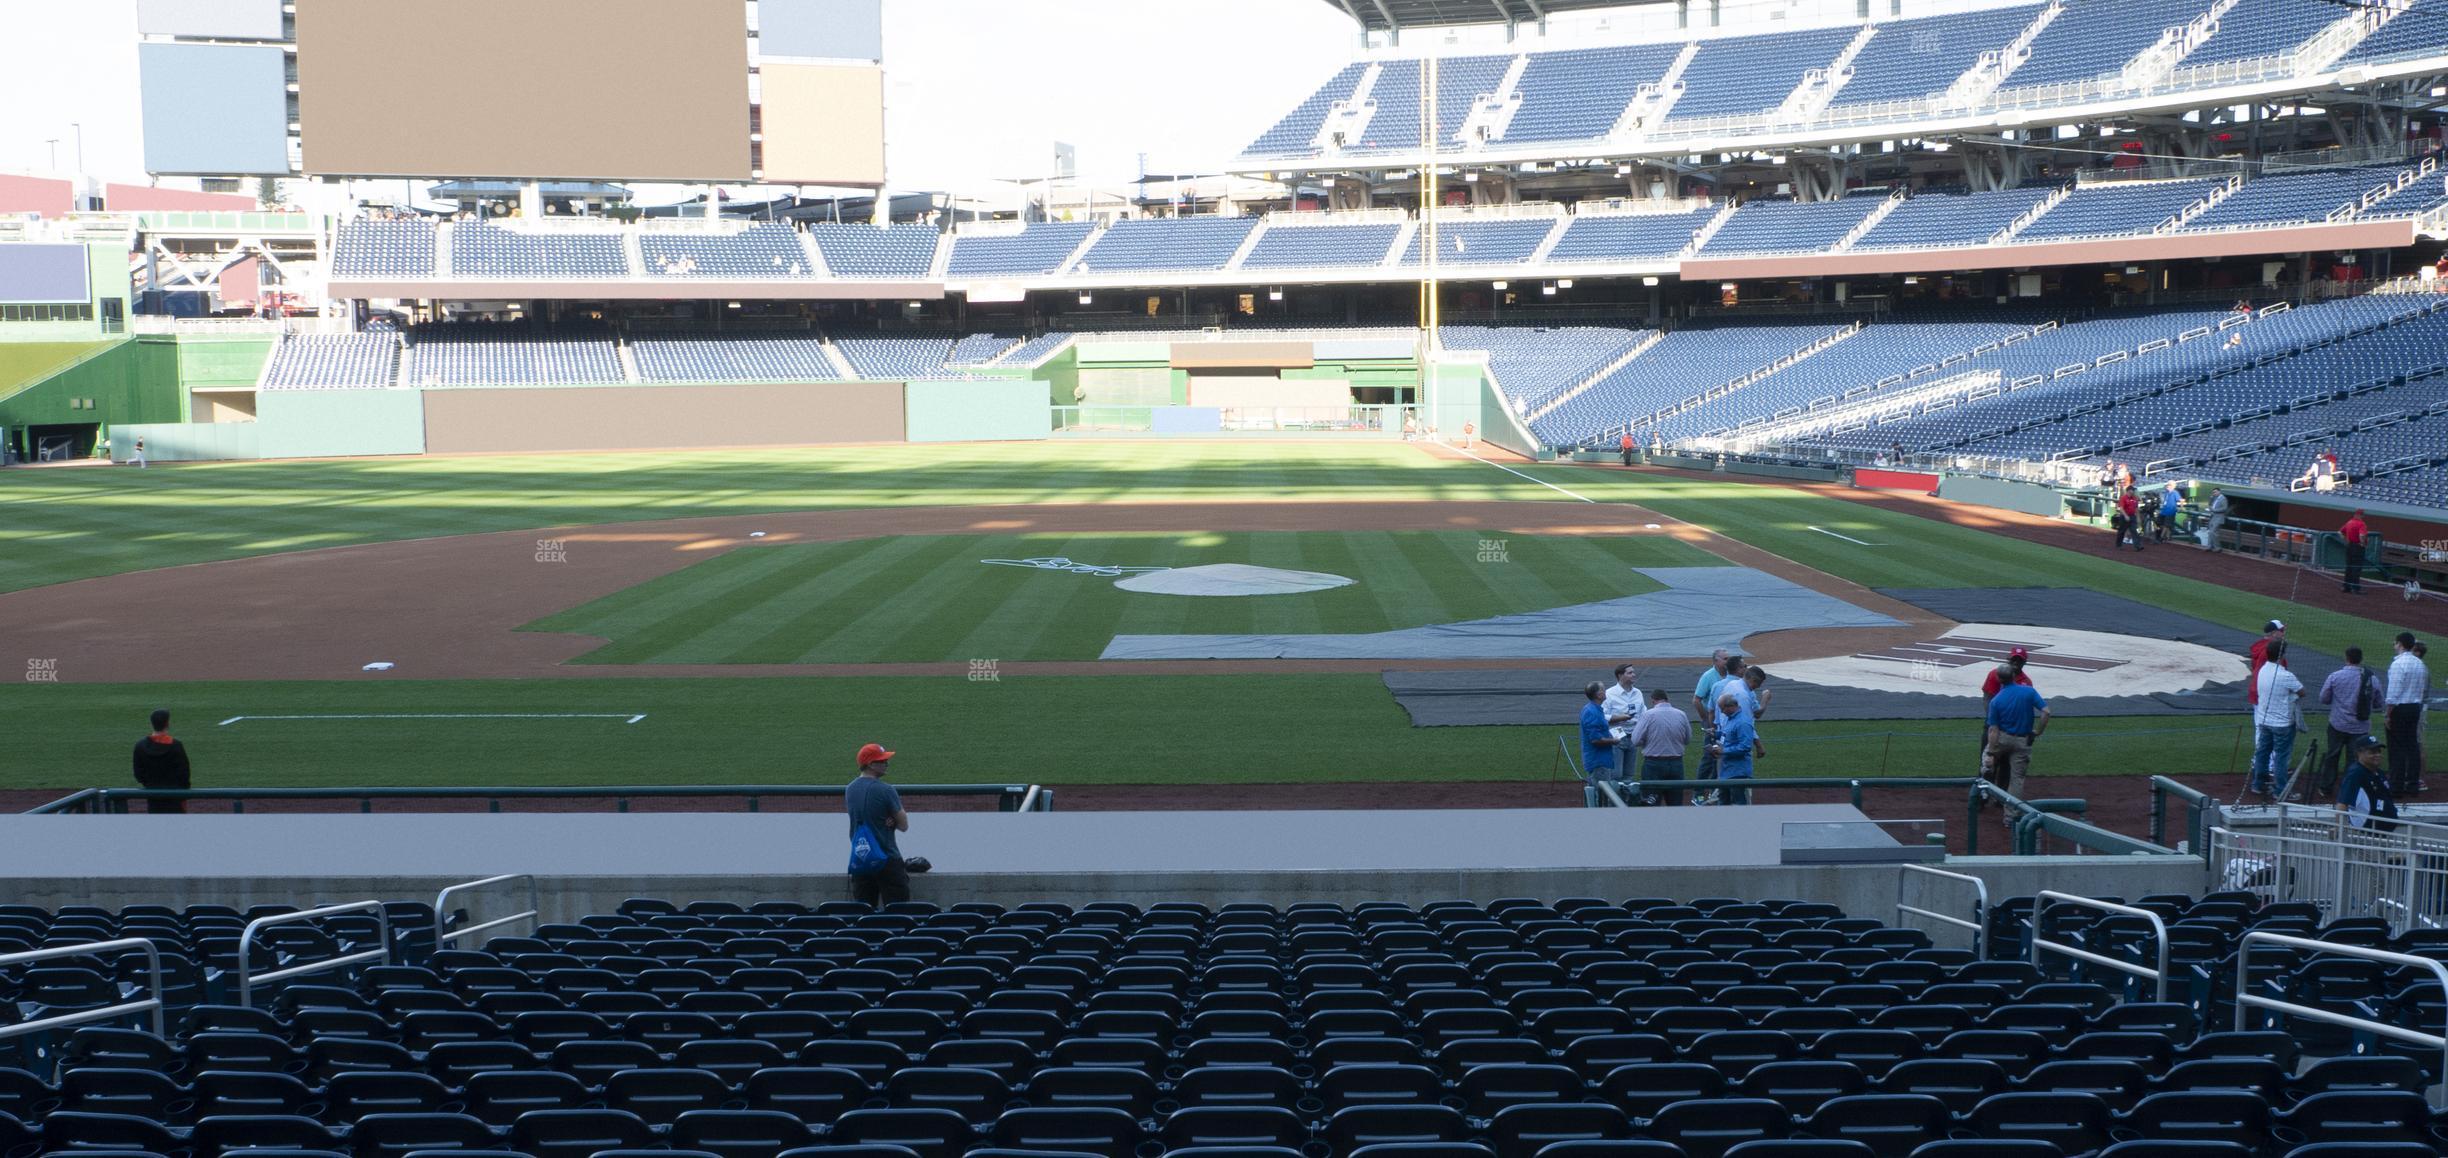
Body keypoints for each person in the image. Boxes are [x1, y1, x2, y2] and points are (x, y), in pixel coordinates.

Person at [845, 743, 911, 906]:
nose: (886, 764)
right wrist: (893, 820)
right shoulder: (886, 790)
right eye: (882, 761)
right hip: (887, 858)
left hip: (861, 859)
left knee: (864, 914)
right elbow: (904, 825)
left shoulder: (850, 789)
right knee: (899, 913)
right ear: (870, 764)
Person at [2317, 646, 2384, 797]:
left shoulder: (2335, 676)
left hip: (2338, 724)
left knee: (2332, 756)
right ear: (2361, 659)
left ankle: (2326, 788)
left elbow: (2323, 699)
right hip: (2360, 728)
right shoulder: (2371, 678)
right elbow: (2379, 703)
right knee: (2355, 760)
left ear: (2346, 658)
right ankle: (2351, 789)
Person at [1982, 668, 2049, 798]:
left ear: (1999, 680)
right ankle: (2010, 816)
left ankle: (1984, 787)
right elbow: (2046, 712)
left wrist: (1991, 752)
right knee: (2017, 780)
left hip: (2003, 738)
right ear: (2013, 676)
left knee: (1986, 763)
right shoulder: (2029, 691)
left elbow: (1993, 730)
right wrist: (2038, 732)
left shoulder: (1996, 700)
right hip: (2023, 741)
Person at [2251, 640, 2305, 799]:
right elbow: (2302, 692)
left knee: (2262, 752)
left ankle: (2258, 785)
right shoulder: (2285, 675)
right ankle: (2280, 791)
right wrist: (2290, 697)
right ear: (2282, 655)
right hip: (2282, 723)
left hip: (2264, 720)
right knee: (2281, 757)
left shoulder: (2262, 670)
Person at [1625, 689, 1690, 806]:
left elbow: (1635, 740)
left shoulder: (1648, 715)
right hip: (1676, 764)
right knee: (1675, 805)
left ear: (1653, 700)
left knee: (1651, 805)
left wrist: (1648, 740)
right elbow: (1687, 739)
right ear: (1667, 699)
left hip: (1653, 766)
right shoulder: (1681, 714)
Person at [2385, 632, 2428, 795]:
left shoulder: (2398, 664)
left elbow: (2393, 694)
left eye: (2395, 643)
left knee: (2396, 748)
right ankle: (2412, 785)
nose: (2394, 645)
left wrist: (2388, 714)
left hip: (2400, 709)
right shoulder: (2419, 664)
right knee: (2412, 746)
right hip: (2415, 708)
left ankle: (2396, 786)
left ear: (2400, 644)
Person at [1980, 646, 2035, 767]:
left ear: (2024, 662)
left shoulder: (2027, 682)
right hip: (1993, 724)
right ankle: (1983, 785)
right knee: (1987, 765)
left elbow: (2026, 709)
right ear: (2009, 659)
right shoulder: (1995, 674)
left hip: (2012, 729)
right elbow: (1987, 698)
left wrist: (2028, 729)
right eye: (2013, 659)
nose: (2016, 662)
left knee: (2006, 766)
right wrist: (1993, 722)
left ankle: (2001, 786)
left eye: (2019, 660)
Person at [131, 709, 191, 813]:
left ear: (152, 723)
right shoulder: (175, 746)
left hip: (152, 795)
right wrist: (183, 792)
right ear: (167, 724)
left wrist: (150, 785)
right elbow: (184, 773)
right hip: (175, 796)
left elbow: (138, 773)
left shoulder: (140, 746)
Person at [2336, 735, 2399, 830]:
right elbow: (2343, 802)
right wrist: (2338, 827)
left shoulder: (2378, 772)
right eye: (2372, 752)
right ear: (2359, 753)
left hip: (2381, 832)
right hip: (2365, 834)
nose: (2377, 755)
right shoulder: (2356, 774)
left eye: (2379, 751)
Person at [1710, 692, 1757, 806]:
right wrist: (1716, 734)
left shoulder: (1743, 722)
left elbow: (1745, 747)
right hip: (1726, 771)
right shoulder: (1730, 720)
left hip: (1738, 772)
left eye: (1722, 709)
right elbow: (1728, 735)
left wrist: (1723, 751)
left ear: (1730, 706)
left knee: (1739, 805)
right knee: (1723, 804)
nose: (1721, 712)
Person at [1579, 682, 1622, 806]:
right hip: (1598, 761)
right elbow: (1595, 740)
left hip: (1601, 759)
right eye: (1603, 689)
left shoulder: (1594, 709)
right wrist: (1614, 740)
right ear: (1598, 694)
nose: (1605, 691)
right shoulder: (1592, 712)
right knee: (1601, 796)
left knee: (1602, 794)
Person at [1602, 664, 1644, 754]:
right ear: (1620, 676)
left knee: (1630, 768)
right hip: (1617, 736)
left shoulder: (1638, 693)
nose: (1634, 675)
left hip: (1634, 736)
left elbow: (1643, 713)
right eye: (1630, 673)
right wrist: (1620, 718)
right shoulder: (1609, 694)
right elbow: (1602, 716)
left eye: (1633, 672)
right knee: (1617, 768)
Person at [2247, 620, 2286, 708]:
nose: (2283, 633)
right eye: (2282, 631)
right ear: (2273, 633)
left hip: (2257, 691)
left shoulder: (2260, 646)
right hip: (2266, 694)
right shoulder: (2270, 651)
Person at [2340, 510, 2369, 594]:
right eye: (2362, 515)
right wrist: (2363, 544)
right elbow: (2362, 535)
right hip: (2358, 546)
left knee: (2349, 566)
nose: (2363, 517)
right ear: (2360, 515)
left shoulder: (2349, 522)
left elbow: (2340, 532)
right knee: (2356, 567)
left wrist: (2346, 540)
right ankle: (2355, 588)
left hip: (2349, 546)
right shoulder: (2361, 524)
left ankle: (2346, 586)